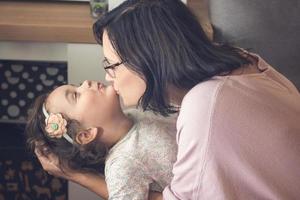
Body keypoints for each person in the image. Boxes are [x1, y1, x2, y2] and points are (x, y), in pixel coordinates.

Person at [37, 0, 300, 199]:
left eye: (112, 66)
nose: (108, 78)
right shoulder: (236, 59)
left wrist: (78, 176)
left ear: (147, 59)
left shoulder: (204, 105)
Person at [26, 80, 177, 200]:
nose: (85, 83)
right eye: (76, 95)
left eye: (77, 85)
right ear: (85, 135)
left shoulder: (136, 111)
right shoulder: (121, 165)